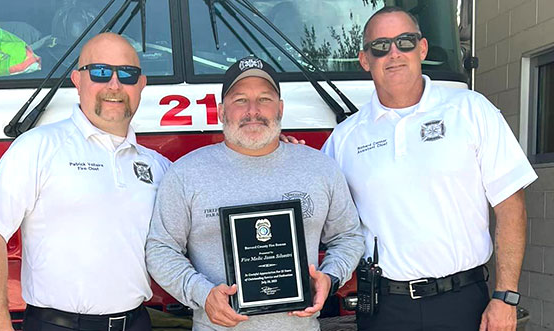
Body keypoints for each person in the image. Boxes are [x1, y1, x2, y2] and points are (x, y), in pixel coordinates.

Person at [321, 6, 538, 331]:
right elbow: (319, 209)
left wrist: (505, 297)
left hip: (464, 305)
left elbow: (511, 208)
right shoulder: (344, 139)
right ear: (365, 60)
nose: (393, 53)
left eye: (404, 42)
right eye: (380, 47)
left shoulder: (471, 111)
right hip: (383, 310)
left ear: (421, 48)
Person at [145, 56, 364, 331]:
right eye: (240, 100)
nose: (253, 110)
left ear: (280, 109)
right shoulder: (186, 174)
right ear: (222, 111)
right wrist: (202, 294)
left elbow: (349, 237)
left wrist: (330, 277)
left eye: (264, 99)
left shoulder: (320, 168)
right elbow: (160, 249)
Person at [0, 32, 170, 331]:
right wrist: (0, 326)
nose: (114, 85)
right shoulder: (37, 147)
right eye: (101, 72)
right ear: (78, 81)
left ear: (141, 85)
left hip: (137, 322)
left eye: (127, 75)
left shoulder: (159, 167)